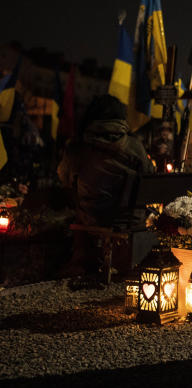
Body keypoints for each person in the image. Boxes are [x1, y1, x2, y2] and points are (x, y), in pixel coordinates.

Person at [57, 94, 155, 273]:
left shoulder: (78, 146)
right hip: (130, 221)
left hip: (92, 218)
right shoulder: (135, 147)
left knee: (74, 208)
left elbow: (64, 178)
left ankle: (82, 260)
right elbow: (150, 177)